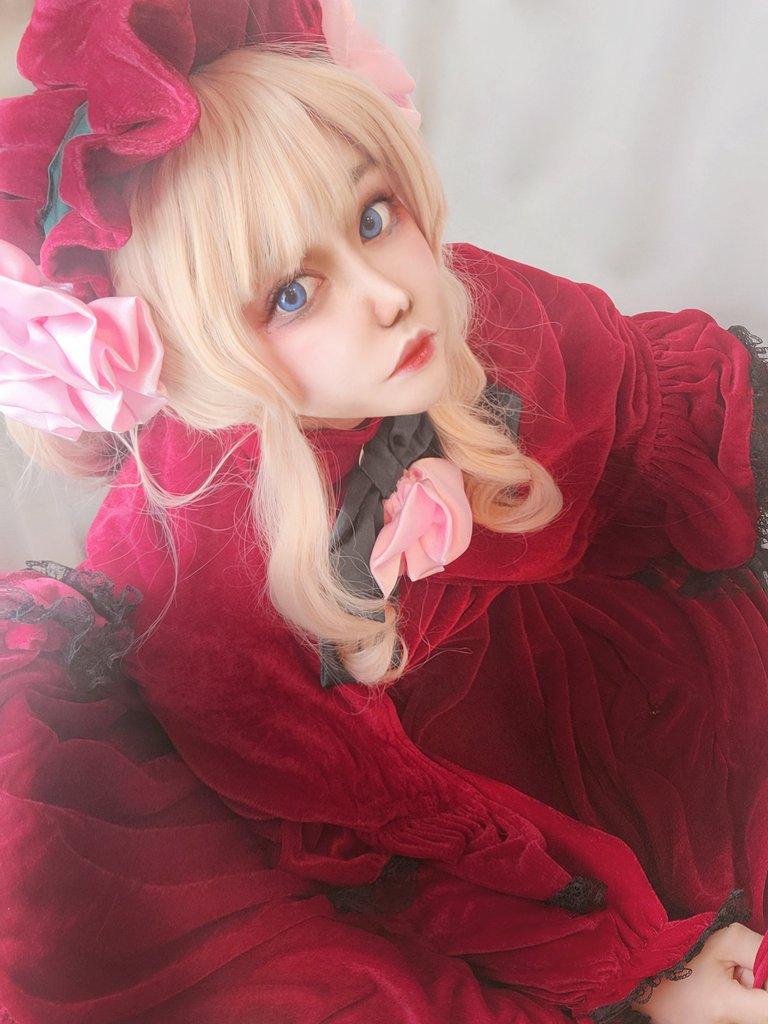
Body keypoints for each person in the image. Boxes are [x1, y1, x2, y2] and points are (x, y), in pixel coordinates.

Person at [0, 2, 767, 1022]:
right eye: (290, 295)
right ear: (198, 352)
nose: (388, 296)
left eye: (372, 218)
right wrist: (642, 969)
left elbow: (626, 411)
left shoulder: (460, 316)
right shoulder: (198, 577)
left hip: (555, 660)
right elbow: (364, 833)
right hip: (381, 797)